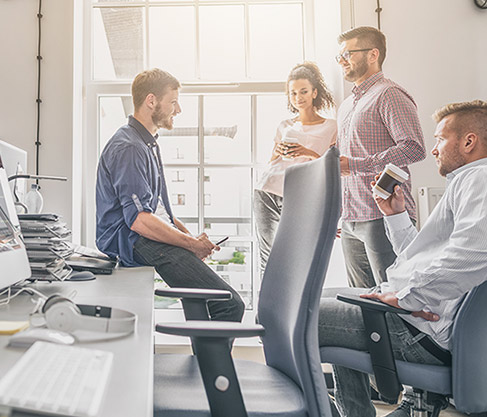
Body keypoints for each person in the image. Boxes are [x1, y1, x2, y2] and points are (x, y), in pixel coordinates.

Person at [320, 100, 487, 417]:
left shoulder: (485, 180)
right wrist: (395, 214)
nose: (433, 150)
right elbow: (422, 259)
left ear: (469, 141)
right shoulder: (473, 183)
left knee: (298, 314)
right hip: (413, 320)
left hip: (414, 330)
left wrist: (407, 297)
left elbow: (481, 252)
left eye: (440, 139)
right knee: (324, 297)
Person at [95, 68, 245, 322]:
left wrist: (190, 238)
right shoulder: (130, 148)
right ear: (151, 101)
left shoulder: (147, 144)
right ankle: (210, 364)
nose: (178, 110)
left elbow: (158, 211)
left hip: (143, 237)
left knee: (206, 300)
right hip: (132, 241)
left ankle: (203, 362)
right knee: (230, 305)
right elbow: (139, 220)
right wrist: (191, 245)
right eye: (173, 102)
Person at [335, 26, 426, 289]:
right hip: (351, 220)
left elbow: (414, 148)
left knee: (395, 298)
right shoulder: (346, 106)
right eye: (339, 56)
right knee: (361, 301)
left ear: (372, 54)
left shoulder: (390, 94)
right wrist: (340, 214)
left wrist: (355, 166)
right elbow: (343, 166)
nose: (341, 60)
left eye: (347, 54)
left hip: (384, 216)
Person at [254, 62, 336, 275]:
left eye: (303, 92)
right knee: (269, 259)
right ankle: (268, 309)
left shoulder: (331, 126)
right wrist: (280, 150)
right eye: (293, 93)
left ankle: (296, 307)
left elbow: (332, 165)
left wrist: (305, 150)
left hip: (302, 195)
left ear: (314, 92)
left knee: (300, 257)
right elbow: (273, 160)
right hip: (268, 190)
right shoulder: (284, 125)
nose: (298, 97)